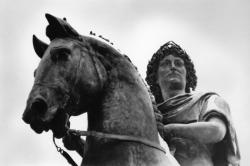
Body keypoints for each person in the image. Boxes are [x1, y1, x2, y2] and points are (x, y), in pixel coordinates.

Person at [146, 41, 240, 166]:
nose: (173, 66)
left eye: (178, 63)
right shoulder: (149, 114)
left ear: (187, 75)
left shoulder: (208, 100)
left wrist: (170, 130)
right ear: (156, 78)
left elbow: (216, 131)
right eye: (166, 64)